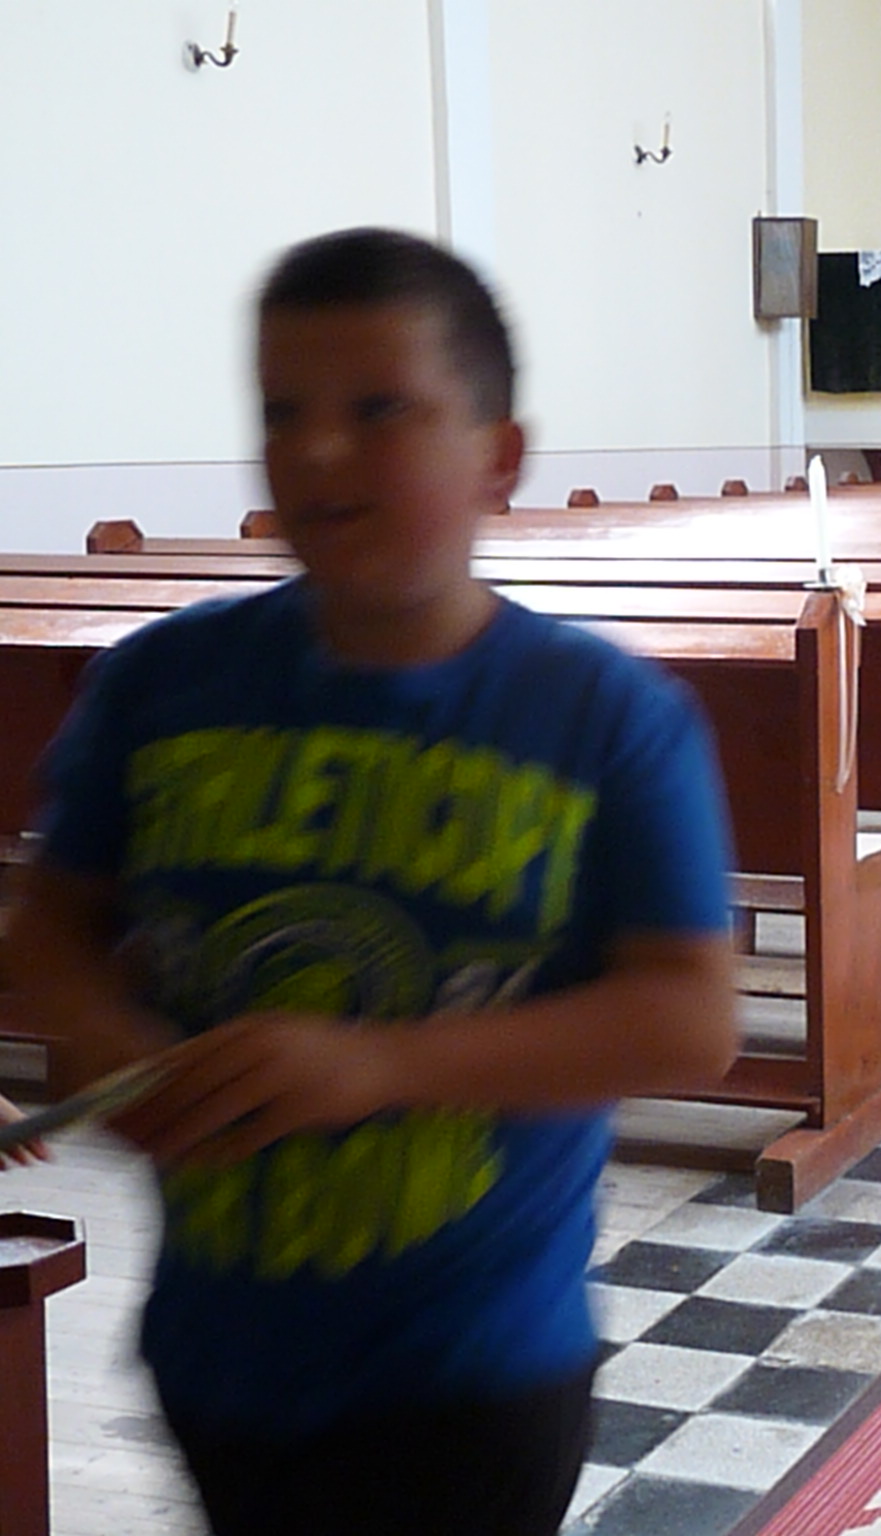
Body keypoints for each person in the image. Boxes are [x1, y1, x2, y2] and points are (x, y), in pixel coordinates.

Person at [0, 227, 740, 1536]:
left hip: (467, 1367)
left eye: (379, 410)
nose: (320, 452)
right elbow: (51, 928)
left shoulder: (605, 716)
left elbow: (687, 1018)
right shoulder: (162, 682)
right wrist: (113, 1043)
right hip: (220, 1345)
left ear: (498, 455)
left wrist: (381, 1066)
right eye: (283, 412)